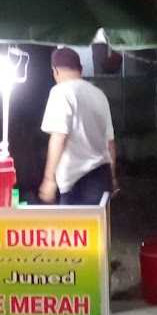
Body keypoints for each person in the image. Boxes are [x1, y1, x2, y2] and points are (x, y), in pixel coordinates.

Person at [39, 46, 118, 205]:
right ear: (80, 70)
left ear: (55, 71)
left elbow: (59, 137)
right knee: (99, 228)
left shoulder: (60, 92)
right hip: (102, 176)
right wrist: (113, 176)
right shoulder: (99, 94)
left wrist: (49, 179)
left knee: (75, 229)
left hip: (76, 182)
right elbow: (109, 142)